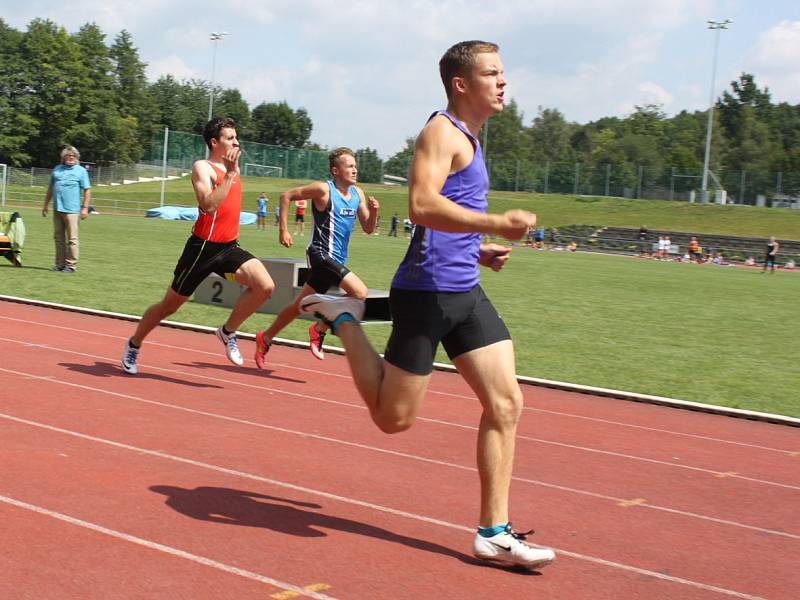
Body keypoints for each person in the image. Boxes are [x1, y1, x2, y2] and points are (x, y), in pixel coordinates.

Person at [297, 41, 554, 570]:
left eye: (503, 72)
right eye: (493, 73)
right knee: (394, 420)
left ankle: (494, 533)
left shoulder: (471, 139)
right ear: (462, 84)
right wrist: (497, 223)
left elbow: (439, 216)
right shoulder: (440, 131)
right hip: (427, 291)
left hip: (465, 291)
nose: (503, 82)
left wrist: (475, 248)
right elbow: (420, 203)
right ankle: (343, 318)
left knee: (506, 404)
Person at [121, 117, 274, 375]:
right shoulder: (202, 167)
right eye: (230, 138)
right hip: (201, 250)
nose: (236, 142)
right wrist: (230, 174)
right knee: (168, 306)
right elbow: (208, 205)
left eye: (236, 137)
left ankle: (227, 332)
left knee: (265, 286)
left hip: (228, 248)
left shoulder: (233, 168)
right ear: (214, 142)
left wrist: (232, 172)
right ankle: (134, 343)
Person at [254, 148, 379, 366]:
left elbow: (368, 228)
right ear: (335, 170)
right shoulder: (323, 190)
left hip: (337, 259)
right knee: (360, 293)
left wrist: (374, 211)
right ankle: (320, 327)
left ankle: (265, 338)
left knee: (298, 305)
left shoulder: (357, 194)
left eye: (354, 165)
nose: (354, 169)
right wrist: (283, 229)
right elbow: (287, 196)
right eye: (349, 166)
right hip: (320, 254)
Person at [42, 146, 91, 273]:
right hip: (57, 209)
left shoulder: (81, 171)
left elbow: (87, 190)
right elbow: (51, 188)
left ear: (76, 158)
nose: (70, 158)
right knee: (58, 238)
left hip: (72, 211)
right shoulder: (57, 169)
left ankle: (71, 265)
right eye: (68, 155)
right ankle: (59, 264)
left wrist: (85, 208)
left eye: (73, 156)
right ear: (63, 158)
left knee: (72, 239)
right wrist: (45, 204)